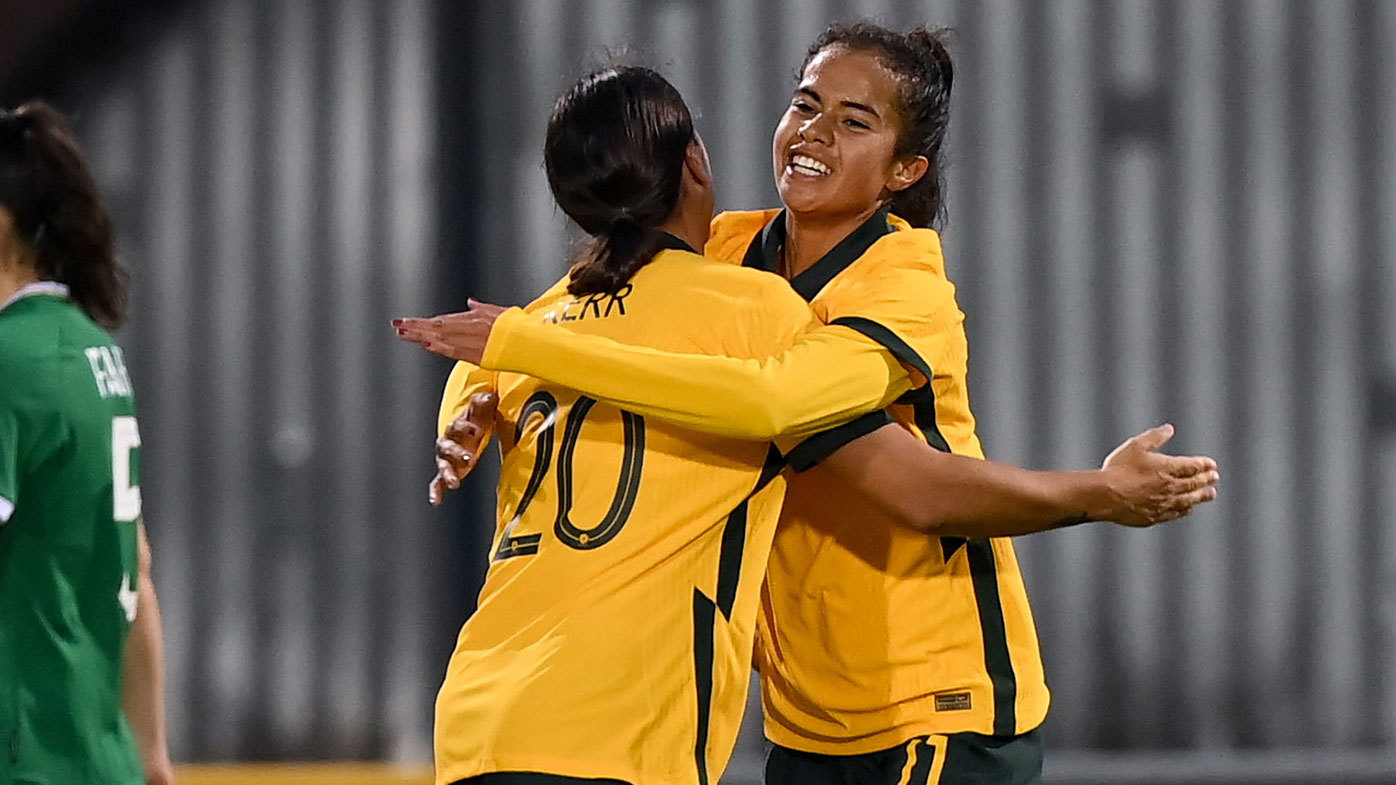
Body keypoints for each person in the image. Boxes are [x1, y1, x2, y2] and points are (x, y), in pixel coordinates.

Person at [399, 22, 1218, 785]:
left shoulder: (905, 290)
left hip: (933, 700)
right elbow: (558, 314)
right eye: (805, 104)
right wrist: (472, 403)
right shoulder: (723, 255)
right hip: (803, 712)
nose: (816, 132)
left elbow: (906, 480)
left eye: (855, 121)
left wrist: (1103, 494)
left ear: (906, 172)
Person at [0, 102, 173, 785]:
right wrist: (152, 750)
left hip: (23, 754)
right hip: (101, 757)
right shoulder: (91, 349)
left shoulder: (10, 358)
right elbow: (138, 561)